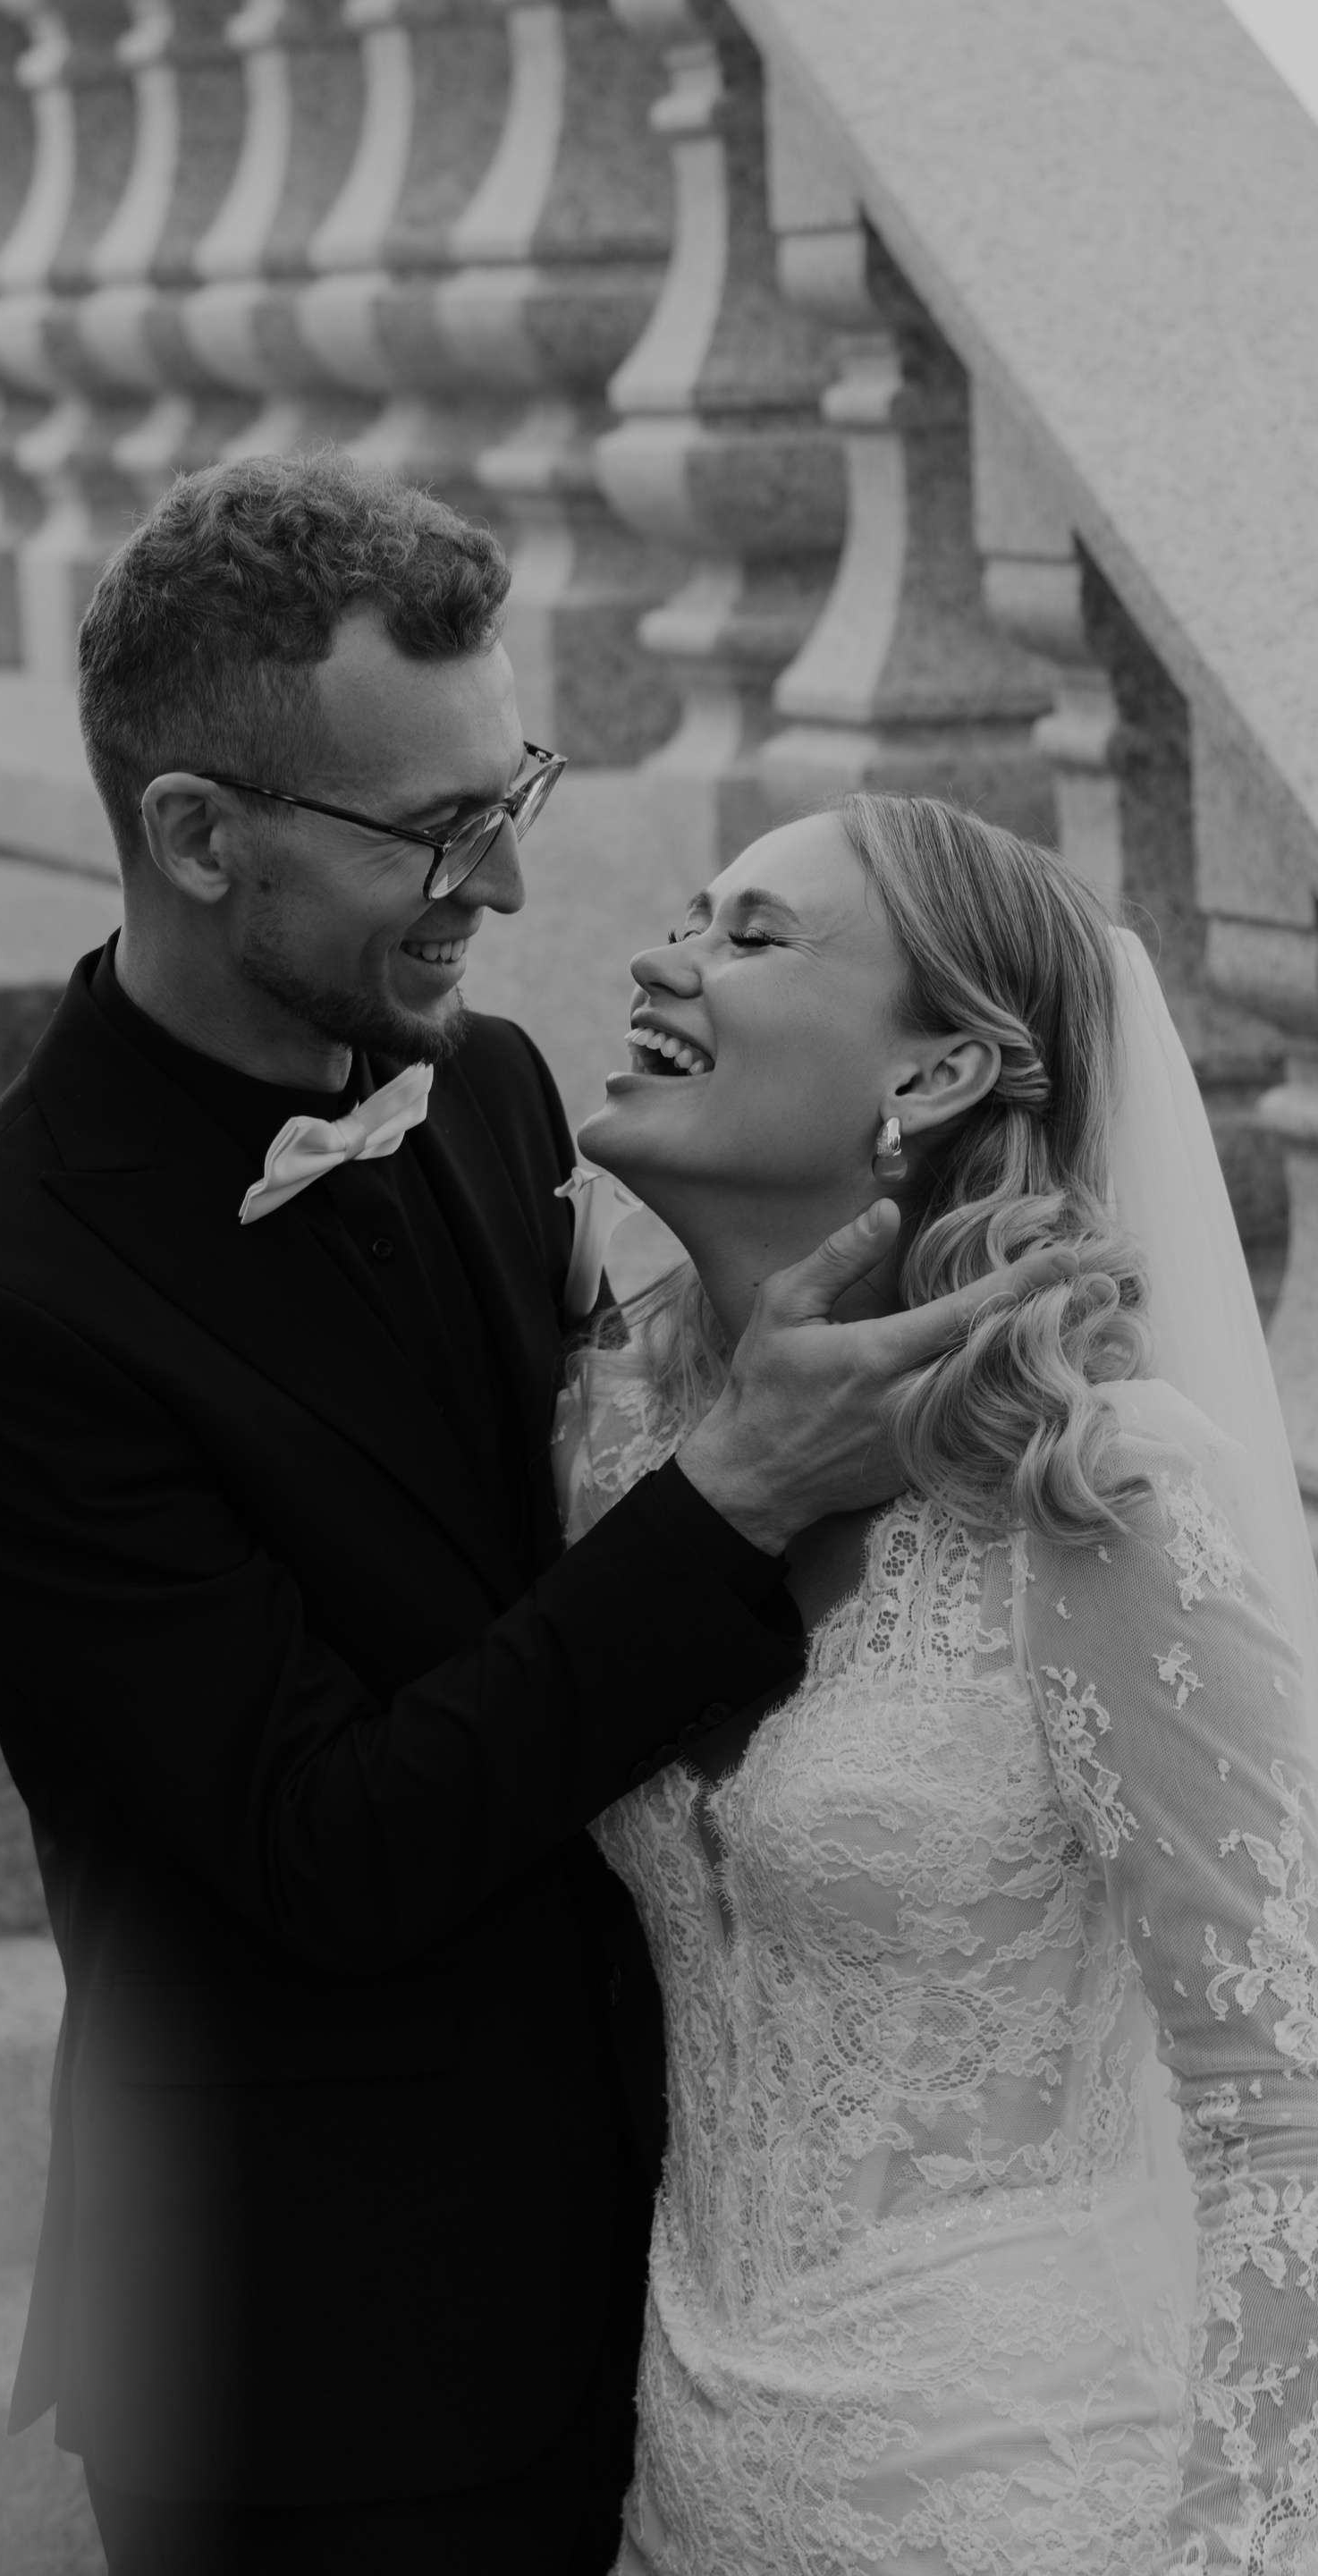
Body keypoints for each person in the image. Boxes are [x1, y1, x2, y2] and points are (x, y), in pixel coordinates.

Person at [0, 457, 1055, 2573]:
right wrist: (733, 1497)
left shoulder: (490, 1087)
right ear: (196, 836)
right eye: (431, 831)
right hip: (332, 2358)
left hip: (716, 2283)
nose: (498, 884)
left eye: (513, 799)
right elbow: (329, 1846)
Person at [560, 791, 1318, 2575]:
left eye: (753, 934)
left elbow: (1283, 2106)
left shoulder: (1094, 1492)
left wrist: (1244, 2545)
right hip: (684, 2495)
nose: (667, 957)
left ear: (939, 1073)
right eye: (689, 914)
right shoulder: (618, 1455)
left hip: (1030, 2501)